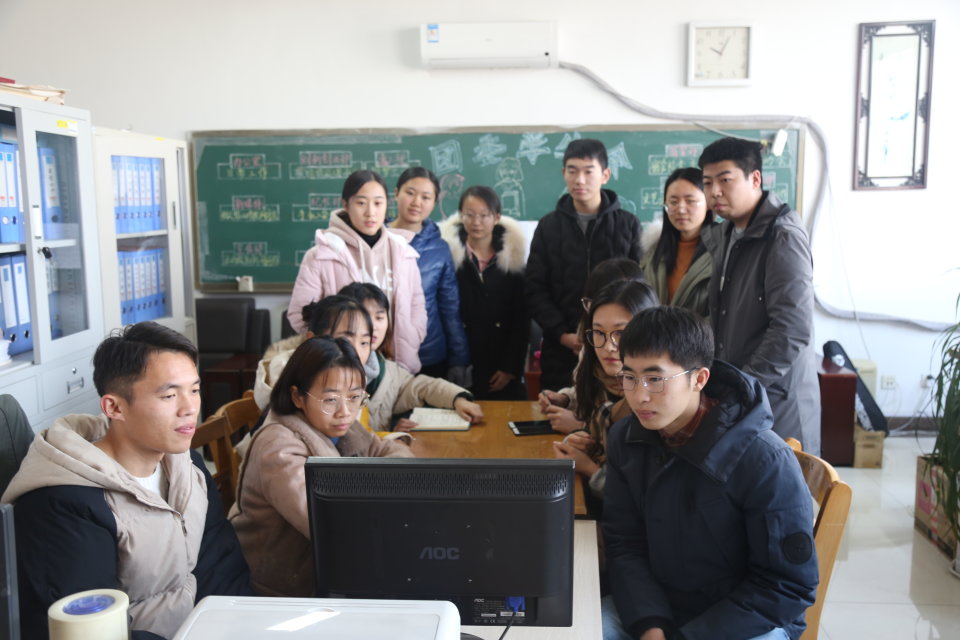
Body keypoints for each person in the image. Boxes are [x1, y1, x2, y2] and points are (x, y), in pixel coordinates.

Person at [2, 322, 252, 640]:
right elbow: (92, 631)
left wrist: (239, 626)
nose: (190, 408)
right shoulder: (63, 503)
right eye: (169, 395)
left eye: (194, 390)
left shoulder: (190, 468)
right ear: (115, 407)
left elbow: (222, 567)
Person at [602, 306, 818, 640]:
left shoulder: (764, 458)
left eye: (655, 379)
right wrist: (650, 624)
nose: (639, 395)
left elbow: (787, 584)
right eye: (629, 377)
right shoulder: (626, 439)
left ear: (699, 379)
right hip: (659, 605)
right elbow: (625, 544)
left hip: (745, 618)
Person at [230, 337, 414, 597]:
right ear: (297, 397)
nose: (345, 411)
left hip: (332, 570)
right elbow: (329, 524)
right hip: (284, 590)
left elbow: (387, 451)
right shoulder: (277, 447)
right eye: (330, 400)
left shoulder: (339, 425)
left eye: (355, 397)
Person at [698, 137, 820, 454]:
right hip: (744, 395)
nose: (714, 192)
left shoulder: (782, 236)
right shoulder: (727, 233)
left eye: (725, 180)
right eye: (707, 182)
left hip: (776, 399)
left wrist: (745, 385)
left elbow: (791, 330)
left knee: (782, 479)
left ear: (755, 179)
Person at [526, 138, 642, 391]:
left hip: (616, 348)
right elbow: (534, 288)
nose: (579, 180)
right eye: (572, 171)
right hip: (560, 350)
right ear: (563, 173)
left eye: (589, 171)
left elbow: (639, 289)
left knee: (612, 409)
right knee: (559, 407)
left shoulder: (628, 224)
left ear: (605, 175)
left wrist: (614, 335)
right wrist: (562, 334)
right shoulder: (548, 227)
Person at [287, 169, 427, 373]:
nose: (371, 212)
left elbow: (417, 304)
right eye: (361, 203)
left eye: (378, 203)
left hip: (396, 362)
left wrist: (413, 334)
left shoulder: (402, 252)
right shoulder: (321, 255)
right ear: (346, 205)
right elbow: (299, 314)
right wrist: (332, 346)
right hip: (339, 367)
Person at [550, 280, 658, 515]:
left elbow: (648, 499)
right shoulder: (596, 377)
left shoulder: (654, 401)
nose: (608, 346)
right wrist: (582, 439)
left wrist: (590, 468)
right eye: (599, 333)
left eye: (621, 333)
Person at [339, 282, 484, 431]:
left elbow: (419, 387)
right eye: (365, 317)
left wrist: (457, 399)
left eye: (379, 317)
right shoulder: (333, 372)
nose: (374, 326)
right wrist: (390, 437)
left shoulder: (387, 369)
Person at [439, 185, 529, 400]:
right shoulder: (449, 257)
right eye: (469, 214)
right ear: (461, 215)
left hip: (502, 360)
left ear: (496, 217)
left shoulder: (512, 259)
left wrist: (510, 368)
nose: (476, 222)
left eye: (484, 215)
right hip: (463, 360)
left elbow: (522, 317)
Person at [538, 258, 646, 434]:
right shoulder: (593, 346)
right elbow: (587, 392)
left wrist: (584, 428)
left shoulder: (652, 384)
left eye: (620, 333)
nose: (609, 347)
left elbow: (638, 441)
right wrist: (566, 399)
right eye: (592, 302)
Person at [389, 167, 471, 383]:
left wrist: (459, 360)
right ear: (396, 193)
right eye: (410, 193)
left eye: (426, 197)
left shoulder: (440, 249)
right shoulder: (375, 240)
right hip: (382, 355)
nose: (416, 202)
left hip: (428, 355)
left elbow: (449, 308)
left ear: (434, 202)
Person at [253, 296, 375, 411]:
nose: (357, 352)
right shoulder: (284, 370)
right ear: (312, 338)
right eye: (345, 341)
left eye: (364, 343)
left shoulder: (353, 373)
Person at [640, 167, 715, 318]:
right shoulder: (652, 253)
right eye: (673, 202)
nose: (681, 209)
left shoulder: (723, 251)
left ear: (708, 203)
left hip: (700, 333)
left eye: (690, 201)